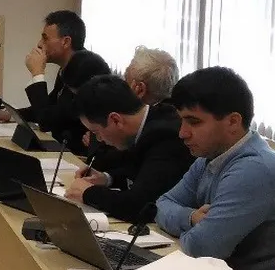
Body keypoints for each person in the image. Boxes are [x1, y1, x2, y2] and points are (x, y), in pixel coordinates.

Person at [153, 67, 275, 270]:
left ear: (232, 122)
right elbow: (161, 205)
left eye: (194, 122)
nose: (182, 133)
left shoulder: (254, 170)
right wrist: (192, 217)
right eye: (181, 121)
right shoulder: (211, 156)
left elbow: (201, 249)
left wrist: (193, 228)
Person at [64, 75, 192, 222]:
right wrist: (106, 178)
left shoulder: (166, 136)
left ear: (115, 120)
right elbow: (140, 173)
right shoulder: (146, 123)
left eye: (96, 132)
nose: (99, 139)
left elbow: (139, 205)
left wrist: (88, 193)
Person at [0, 10, 110, 154]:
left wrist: (37, 74)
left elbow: (46, 121)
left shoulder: (87, 71)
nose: (40, 44)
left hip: (79, 156)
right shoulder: (67, 67)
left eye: (45, 38)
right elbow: (49, 108)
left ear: (66, 42)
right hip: (61, 150)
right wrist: (10, 114)